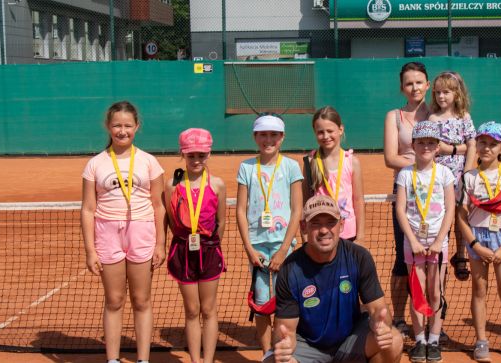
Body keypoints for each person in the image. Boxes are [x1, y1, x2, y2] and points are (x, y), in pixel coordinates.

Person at [269, 195, 404, 363]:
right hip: (309, 346)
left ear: (341, 225)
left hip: (351, 340)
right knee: (278, 361)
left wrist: (381, 326)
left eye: (330, 223)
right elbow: (285, 330)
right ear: (304, 227)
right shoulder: (290, 270)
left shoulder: (358, 257)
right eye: (316, 224)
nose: (324, 230)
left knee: (393, 340)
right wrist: (284, 344)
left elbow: (378, 311)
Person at [80, 101, 165, 363]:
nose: (122, 131)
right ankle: (113, 360)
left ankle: (142, 359)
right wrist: (90, 251)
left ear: (137, 127)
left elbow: (159, 205)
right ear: (108, 126)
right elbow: (87, 209)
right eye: (117, 125)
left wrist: (161, 244)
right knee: (114, 300)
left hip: (141, 231)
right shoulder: (95, 164)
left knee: (141, 300)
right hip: (107, 232)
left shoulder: (150, 162)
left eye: (127, 125)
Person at [458, 121, 501, 362]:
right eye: (483, 142)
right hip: (478, 238)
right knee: (479, 291)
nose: (487, 148)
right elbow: (461, 217)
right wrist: (475, 245)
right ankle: (481, 341)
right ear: (476, 145)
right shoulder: (469, 178)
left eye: (493, 144)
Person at [236, 113, 303, 356]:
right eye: (263, 134)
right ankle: (267, 353)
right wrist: (249, 249)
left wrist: (285, 249)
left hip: (284, 248)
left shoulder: (291, 166)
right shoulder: (246, 167)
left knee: (286, 303)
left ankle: (284, 352)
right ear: (255, 137)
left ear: (282, 137)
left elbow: (297, 210)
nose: (268, 139)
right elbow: (241, 212)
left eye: (274, 134)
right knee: (262, 304)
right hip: (257, 250)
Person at [395, 121, 455, 363]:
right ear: (413, 145)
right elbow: (400, 210)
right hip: (413, 243)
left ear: (438, 146)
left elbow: (450, 208)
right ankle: (420, 340)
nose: (426, 146)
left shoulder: (444, 174)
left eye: (431, 142)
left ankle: (434, 339)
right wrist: (412, 240)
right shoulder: (405, 174)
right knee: (417, 292)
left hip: (438, 244)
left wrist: (440, 240)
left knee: (435, 291)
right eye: (422, 142)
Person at [164, 128, 226, 363]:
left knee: (209, 310)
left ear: (208, 154)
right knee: (192, 310)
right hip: (182, 252)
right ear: (183, 155)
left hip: (209, 251)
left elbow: (221, 222)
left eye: (201, 155)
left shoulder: (218, 184)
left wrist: (209, 245)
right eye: (191, 156)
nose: (196, 160)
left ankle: (207, 360)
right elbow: (170, 220)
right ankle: (195, 360)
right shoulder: (172, 185)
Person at [383, 61, 431, 335]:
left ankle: (432, 321)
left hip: (434, 194)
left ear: (427, 84)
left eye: (419, 81)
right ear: (402, 88)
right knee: (403, 259)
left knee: (434, 259)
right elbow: (390, 158)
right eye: (409, 83)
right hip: (404, 192)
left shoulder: (436, 114)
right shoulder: (394, 116)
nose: (415, 87)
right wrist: (419, 166)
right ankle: (400, 319)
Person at [428, 71, 478, 282]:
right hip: (439, 174)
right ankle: (441, 251)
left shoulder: (464, 116)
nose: (441, 97)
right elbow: (434, 146)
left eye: (446, 92)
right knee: (442, 214)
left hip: (459, 174)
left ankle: (461, 254)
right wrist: (451, 150)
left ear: (456, 94)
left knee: (460, 215)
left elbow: (473, 144)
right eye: (438, 92)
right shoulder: (432, 118)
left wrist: (466, 171)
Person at [303, 106, 365, 243]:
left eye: (330, 131)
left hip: (348, 232)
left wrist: (360, 236)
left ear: (340, 130)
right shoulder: (310, 161)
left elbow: (358, 200)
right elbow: (305, 201)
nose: (326, 136)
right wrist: (305, 236)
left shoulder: (352, 162)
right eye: (320, 132)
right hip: (320, 232)